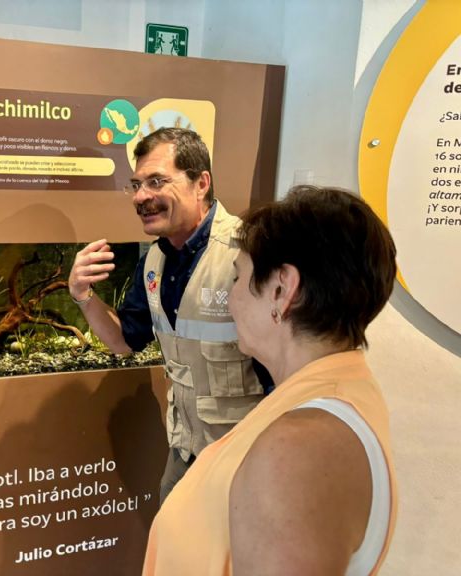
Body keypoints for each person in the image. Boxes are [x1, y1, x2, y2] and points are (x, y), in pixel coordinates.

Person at [143, 185, 399, 575]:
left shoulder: (299, 448)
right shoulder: (331, 394)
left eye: (237, 279)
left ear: (281, 290)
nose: (230, 301)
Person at [68, 127, 268, 504]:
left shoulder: (247, 254)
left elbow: (285, 375)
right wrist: (83, 295)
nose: (141, 196)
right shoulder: (155, 261)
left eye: (157, 181)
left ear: (201, 183)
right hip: (184, 453)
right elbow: (123, 341)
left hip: (243, 461)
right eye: (136, 184)